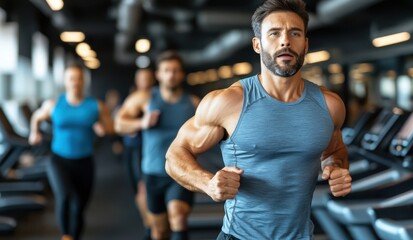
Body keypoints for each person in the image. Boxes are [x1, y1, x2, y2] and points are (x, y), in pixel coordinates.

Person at [165, 0, 352, 239]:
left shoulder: (330, 105)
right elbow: (174, 155)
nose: (285, 41)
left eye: (294, 33)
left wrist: (336, 170)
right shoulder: (228, 102)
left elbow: (335, 151)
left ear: (305, 45)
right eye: (274, 33)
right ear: (257, 44)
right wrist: (208, 183)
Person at [115, 51, 200, 240]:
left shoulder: (193, 103)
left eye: (176, 70)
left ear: (182, 74)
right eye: (167, 70)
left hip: (182, 171)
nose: (171, 75)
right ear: (158, 75)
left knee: (178, 216)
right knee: (160, 231)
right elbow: (118, 124)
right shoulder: (144, 99)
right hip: (153, 172)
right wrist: (141, 123)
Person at [29, 63, 115, 240]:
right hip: (59, 159)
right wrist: (34, 132)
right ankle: (66, 235)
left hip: (84, 161)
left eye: (78, 78)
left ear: (83, 81)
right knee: (65, 196)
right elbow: (37, 117)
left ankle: (74, 236)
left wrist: (103, 129)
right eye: (71, 78)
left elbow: (111, 127)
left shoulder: (96, 106)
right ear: (65, 82)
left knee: (79, 206)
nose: (75, 82)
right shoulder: (53, 104)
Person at [121, 68, 155, 239]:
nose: (145, 81)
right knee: (139, 191)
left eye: (148, 78)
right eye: (142, 78)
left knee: (144, 190)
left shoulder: (157, 98)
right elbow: (119, 123)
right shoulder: (133, 99)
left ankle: (151, 228)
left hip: (151, 150)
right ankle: (148, 224)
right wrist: (137, 124)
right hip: (134, 148)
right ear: (137, 80)